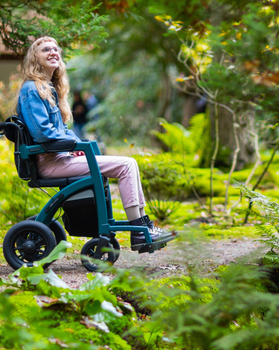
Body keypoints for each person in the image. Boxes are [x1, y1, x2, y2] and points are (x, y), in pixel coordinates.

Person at [15, 36, 175, 251]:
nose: (53, 52)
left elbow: (59, 131)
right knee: (126, 165)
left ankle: (144, 225)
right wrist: (76, 144)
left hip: (61, 158)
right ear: (35, 57)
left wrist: (75, 145)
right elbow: (43, 132)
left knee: (130, 164)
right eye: (46, 50)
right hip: (50, 162)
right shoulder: (32, 89)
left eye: (55, 49)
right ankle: (139, 231)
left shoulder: (48, 88)